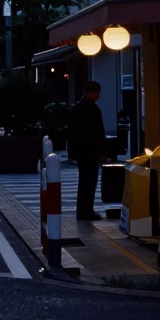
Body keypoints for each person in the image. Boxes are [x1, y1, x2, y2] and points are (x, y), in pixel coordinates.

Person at [68, 81, 106, 221]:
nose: (98, 95)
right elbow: (97, 133)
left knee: (84, 182)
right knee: (89, 182)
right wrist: (101, 150)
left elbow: (72, 133)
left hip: (82, 151)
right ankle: (87, 211)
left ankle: (83, 211)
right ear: (90, 92)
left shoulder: (77, 108)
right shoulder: (91, 109)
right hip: (90, 151)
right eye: (97, 92)